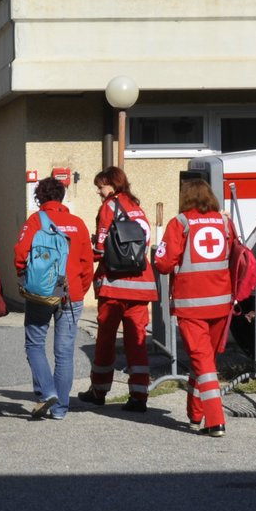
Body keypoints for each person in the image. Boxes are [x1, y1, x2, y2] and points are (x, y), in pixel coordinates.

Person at [153, 178, 235, 436]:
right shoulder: (224, 222)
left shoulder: (181, 223)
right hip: (221, 303)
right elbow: (231, 253)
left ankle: (215, 421)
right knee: (205, 361)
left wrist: (157, 255)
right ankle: (195, 413)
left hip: (192, 305)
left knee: (203, 363)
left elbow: (164, 263)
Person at [77, 166, 158, 413]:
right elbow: (146, 243)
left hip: (114, 286)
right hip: (141, 285)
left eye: (100, 186)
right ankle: (139, 395)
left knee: (106, 341)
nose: (98, 192)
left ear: (111, 185)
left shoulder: (109, 207)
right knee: (137, 340)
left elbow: (100, 248)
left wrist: (81, 254)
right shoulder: (137, 208)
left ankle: (99, 391)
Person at [13, 176, 94, 420]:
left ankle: (47, 391)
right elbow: (87, 264)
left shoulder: (36, 221)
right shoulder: (77, 223)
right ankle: (60, 409)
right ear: (61, 196)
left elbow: (20, 254)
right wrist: (80, 289)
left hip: (42, 292)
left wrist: (25, 278)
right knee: (64, 352)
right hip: (72, 293)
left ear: (40, 197)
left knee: (35, 344)